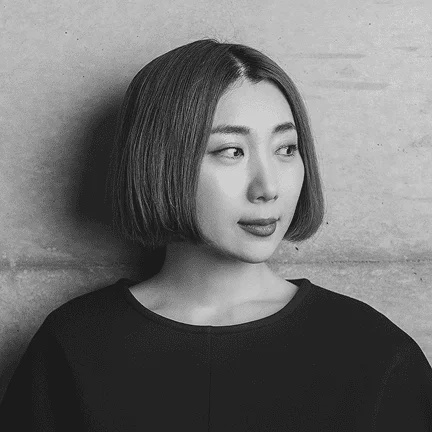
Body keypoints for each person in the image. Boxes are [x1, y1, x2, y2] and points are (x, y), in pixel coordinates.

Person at [0, 38, 431, 431]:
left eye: (286, 149)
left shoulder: (372, 351)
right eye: (231, 151)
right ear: (161, 160)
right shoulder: (74, 345)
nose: (268, 188)